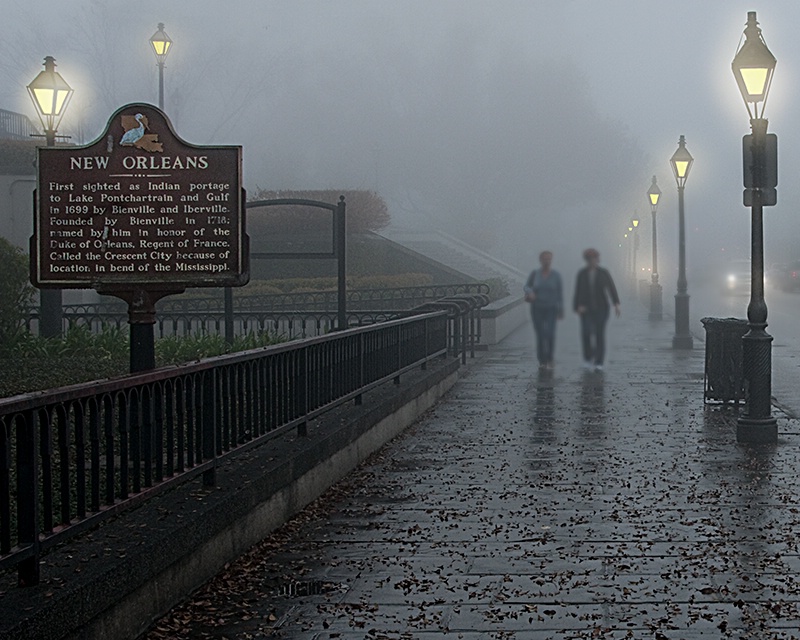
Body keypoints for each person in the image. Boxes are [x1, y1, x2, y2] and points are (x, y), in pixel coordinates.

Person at [573, 248, 620, 371]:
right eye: (590, 259)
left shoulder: (603, 273)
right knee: (586, 333)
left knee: (599, 334)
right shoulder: (582, 274)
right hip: (586, 309)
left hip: (601, 308)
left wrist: (616, 303)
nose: (592, 261)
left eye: (594, 259)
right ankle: (588, 358)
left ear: (597, 259)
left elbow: (611, 288)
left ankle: (599, 361)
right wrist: (577, 306)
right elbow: (578, 291)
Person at [523, 251, 563, 369]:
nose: (547, 261)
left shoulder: (556, 275)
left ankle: (550, 357)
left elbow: (559, 293)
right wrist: (530, 292)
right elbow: (526, 286)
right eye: (545, 259)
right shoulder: (535, 274)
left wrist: (561, 309)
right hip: (537, 308)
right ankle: (542, 360)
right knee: (540, 334)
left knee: (550, 333)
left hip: (551, 308)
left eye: (549, 259)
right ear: (540, 260)